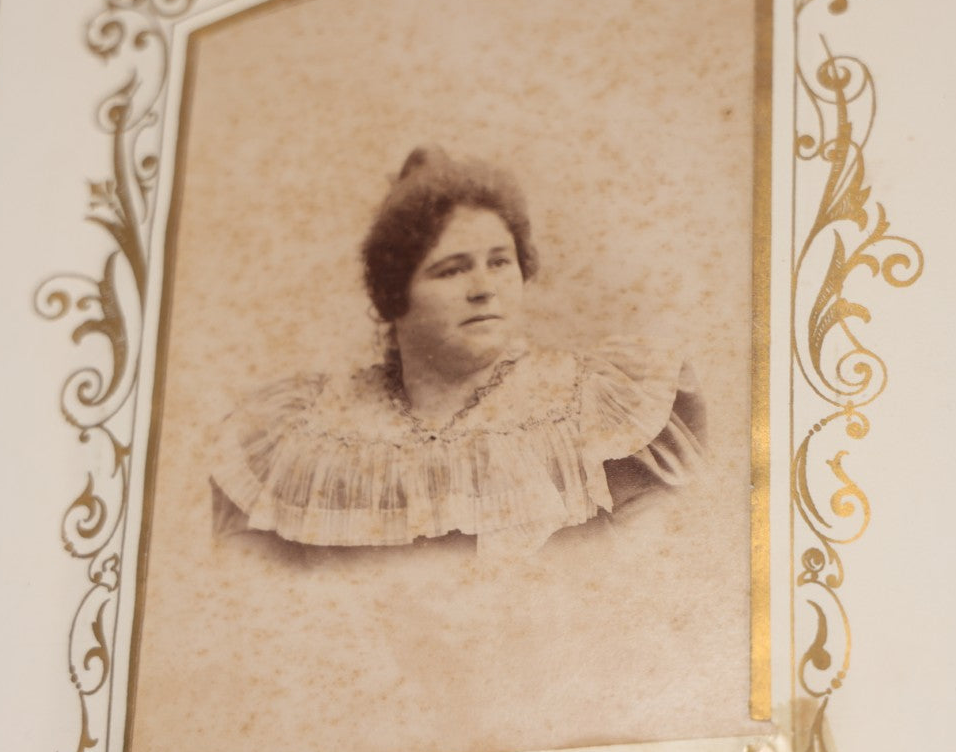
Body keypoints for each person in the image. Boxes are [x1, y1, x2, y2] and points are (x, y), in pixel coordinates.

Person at [209, 146, 707, 559]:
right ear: (393, 294)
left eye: (499, 262)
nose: (484, 288)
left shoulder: (597, 409)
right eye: (451, 270)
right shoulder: (306, 436)